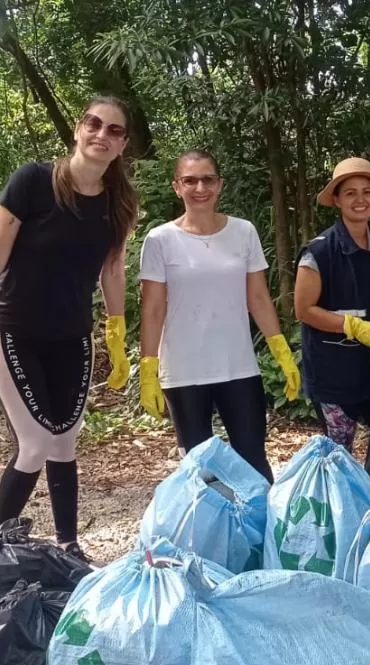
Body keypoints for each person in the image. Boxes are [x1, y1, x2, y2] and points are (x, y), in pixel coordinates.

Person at [0, 95, 137, 562]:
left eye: (113, 130)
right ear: (78, 128)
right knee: (33, 441)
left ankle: (69, 543)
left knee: (64, 441)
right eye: (94, 124)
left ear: (123, 145)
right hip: (12, 328)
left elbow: (112, 269)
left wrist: (117, 333)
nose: (101, 134)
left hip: (72, 334)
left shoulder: (119, 201)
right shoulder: (32, 181)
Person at [137, 149, 300, 483]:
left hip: (237, 366)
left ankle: (261, 533)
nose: (200, 187)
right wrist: (148, 369)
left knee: (253, 460)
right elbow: (153, 308)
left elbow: (257, 297)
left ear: (220, 184)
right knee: (199, 469)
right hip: (184, 371)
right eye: (190, 180)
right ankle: (207, 534)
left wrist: (282, 352)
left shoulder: (243, 232)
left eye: (208, 179)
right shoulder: (160, 240)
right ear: (176, 186)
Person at [294, 157, 370, 451]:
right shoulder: (319, 252)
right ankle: (337, 497)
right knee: (339, 451)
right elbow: (303, 310)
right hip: (333, 370)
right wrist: (349, 325)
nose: (360, 199)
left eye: (367, 191)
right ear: (337, 200)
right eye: (350, 192)